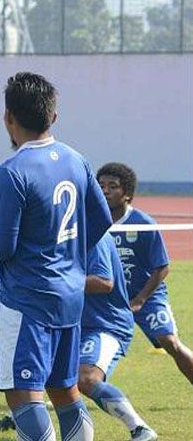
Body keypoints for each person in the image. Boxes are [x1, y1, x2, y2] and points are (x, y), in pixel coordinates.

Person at [0, 72, 112, 441]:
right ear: (53, 117)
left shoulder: (11, 172)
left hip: (27, 301)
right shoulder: (77, 160)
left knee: (24, 398)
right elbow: (103, 218)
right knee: (64, 391)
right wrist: (65, 256)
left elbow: (2, 248)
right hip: (70, 298)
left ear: (8, 118)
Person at [0, 234, 158, 440]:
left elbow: (104, 281)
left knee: (86, 378)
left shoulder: (93, 234)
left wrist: (54, 280)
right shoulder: (61, 230)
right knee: (45, 376)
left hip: (105, 325)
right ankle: (20, 419)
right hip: (68, 322)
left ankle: (140, 428)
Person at [97, 162, 193, 385]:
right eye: (101, 185)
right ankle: (74, 392)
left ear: (127, 195)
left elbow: (162, 267)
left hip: (146, 296)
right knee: (82, 344)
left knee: (169, 342)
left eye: (113, 186)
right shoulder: (92, 222)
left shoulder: (143, 223)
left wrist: (140, 299)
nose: (105, 190)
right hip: (109, 298)